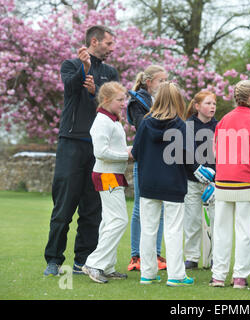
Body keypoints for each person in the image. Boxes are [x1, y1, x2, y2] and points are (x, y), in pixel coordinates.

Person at [43, 25, 119, 276]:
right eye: (108, 43)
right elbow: (70, 88)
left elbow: (113, 104)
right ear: (94, 42)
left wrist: (94, 91)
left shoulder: (111, 72)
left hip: (98, 150)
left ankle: (82, 262)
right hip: (71, 144)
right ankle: (53, 260)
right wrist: (84, 70)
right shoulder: (70, 64)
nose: (112, 48)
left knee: (93, 209)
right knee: (64, 206)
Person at [131, 82, 215, 286]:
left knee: (148, 229)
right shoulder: (180, 125)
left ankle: (148, 273)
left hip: (148, 182)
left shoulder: (144, 123)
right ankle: (176, 275)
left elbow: (135, 153)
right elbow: (189, 158)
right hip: (173, 183)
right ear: (178, 100)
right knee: (173, 229)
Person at [210, 80, 250, 289]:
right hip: (245, 181)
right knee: (245, 230)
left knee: (221, 230)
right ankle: (239, 277)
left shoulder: (224, 119)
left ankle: (218, 276)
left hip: (223, 180)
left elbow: (216, 151)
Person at [81, 81, 132, 283]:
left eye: (124, 99)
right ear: (106, 100)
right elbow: (100, 152)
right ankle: (94, 263)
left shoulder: (111, 120)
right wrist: (126, 156)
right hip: (107, 175)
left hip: (112, 174)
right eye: (120, 100)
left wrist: (128, 150)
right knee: (120, 220)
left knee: (110, 220)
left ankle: (107, 266)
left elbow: (115, 147)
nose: (123, 104)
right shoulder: (102, 121)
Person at [126, 65, 168, 272]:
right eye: (161, 81)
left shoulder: (164, 102)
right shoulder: (137, 101)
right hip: (144, 158)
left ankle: (156, 254)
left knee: (159, 208)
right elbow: (144, 127)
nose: (164, 85)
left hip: (161, 159)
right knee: (139, 209)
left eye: (166, 81)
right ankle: (136, 256)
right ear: (149, 81)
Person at [183, 91, 218, 269]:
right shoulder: (187, 125)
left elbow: (222, 154)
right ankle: (192, 257)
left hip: (213, 183)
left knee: (216, 220)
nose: (212, 107)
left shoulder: (218, 126)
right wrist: (197, 170)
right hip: (191, 181)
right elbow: (185, 153)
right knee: (192, 220)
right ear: (197, 106)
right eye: (208, 103)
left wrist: (215, 178)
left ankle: (215, 258)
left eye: (214, 104)